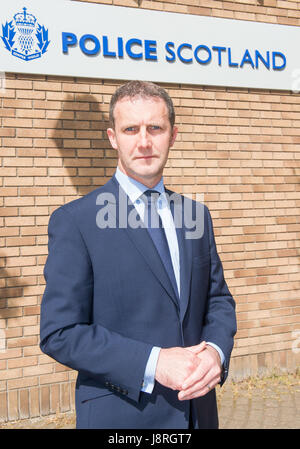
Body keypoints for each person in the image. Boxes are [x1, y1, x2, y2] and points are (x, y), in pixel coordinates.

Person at [40, 80, 236, 429]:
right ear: (113, 137)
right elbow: (60, 332)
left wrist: (215, 353)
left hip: (199, 415)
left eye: (155, 128)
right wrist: (154, 361)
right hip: (124, 416)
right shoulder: (76, 221)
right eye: (131, 129)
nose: (144, 141)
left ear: (173, 135)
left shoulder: (194, 215)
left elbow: (218, 300)